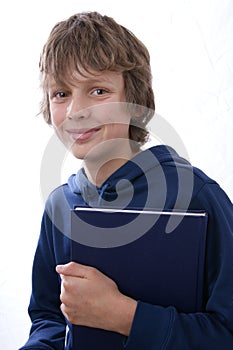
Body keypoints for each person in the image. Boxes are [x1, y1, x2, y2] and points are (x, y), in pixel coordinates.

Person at [20, 11, 233, 350]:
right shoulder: (59, 205)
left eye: (98, 90)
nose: (76, 109)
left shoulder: (197, 196)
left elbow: (227, 332)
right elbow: (48, 318)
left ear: (135, 103)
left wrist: (124, 316)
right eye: (61, 93)